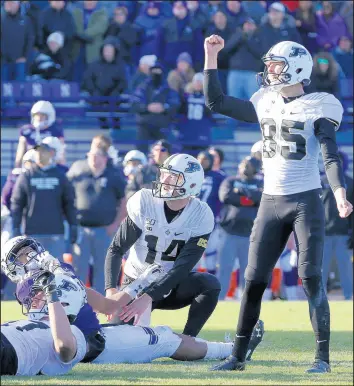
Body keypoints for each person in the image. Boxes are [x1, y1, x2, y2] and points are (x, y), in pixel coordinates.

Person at [203, 35, 353, 373]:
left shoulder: (321, 103)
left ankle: (322, 359)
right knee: (254, 280)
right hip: (269, 202)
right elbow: (217, 103)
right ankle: (238, 357)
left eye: (276, 66)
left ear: (297, 69)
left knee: (310, 277)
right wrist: (210, 57)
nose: (269, 72)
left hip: (305, 201)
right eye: (269, 65)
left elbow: (329, 154)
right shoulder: (264, 100)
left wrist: (340, 192)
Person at [1, 235, 264, 369]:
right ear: (13, 268)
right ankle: (230, 350)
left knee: (159, 335)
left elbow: (107, 307)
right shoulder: (27, 286)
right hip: (84, 348)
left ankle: (232, 348)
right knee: (165, 339)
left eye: (30, 250)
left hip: (95, 337)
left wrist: (140, 284)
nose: (31, 256)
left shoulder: (62, 272)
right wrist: (57, 273)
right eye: (22, 256)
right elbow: (56, 315)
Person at [104, 154, 223, 337]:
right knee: (119, 339)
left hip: (171, 284)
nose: (164, 180)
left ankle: (188, 339)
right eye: (164, 174)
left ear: (191, 183)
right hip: (136, 282)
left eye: (173, 176)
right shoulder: (144, 201)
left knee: (209, 284)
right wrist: (112, 292)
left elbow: (183, 268)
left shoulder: (201, 215)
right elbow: (117, 249)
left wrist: (148, 297)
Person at [66, 135, 126, 294]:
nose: (93, 159)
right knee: (79, 266)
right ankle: (76, 299)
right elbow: (65, 191)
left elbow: (124, 200)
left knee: (104, 267)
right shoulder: (78, 169)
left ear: (105, 158)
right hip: (81, 227)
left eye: (97, 156)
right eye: (91, 155)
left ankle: (101, 301)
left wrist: (115, 224)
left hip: (104, 229)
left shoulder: (114, 174)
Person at [1, 269, 87, 376]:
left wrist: (51, 293)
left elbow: (65, 347)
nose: (34, 299)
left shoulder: (72, 331)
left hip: (8, 351)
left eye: (41, 294)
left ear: (63, 302)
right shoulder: (32, 323)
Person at [10, 142, 77, 260]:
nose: (39, 155)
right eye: (37, 152)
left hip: (55, 232)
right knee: (33, 271)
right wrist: (15, 226)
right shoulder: (27, 176)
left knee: (55, 271)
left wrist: (73, 225)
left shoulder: (60, 176)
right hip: (32, 232)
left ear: (51, 153)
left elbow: (69, 203)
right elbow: (17, 203)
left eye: (43, 152)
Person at [217, 156, 263, 300]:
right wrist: (249, 199)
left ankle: (246, 303)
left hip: (250, 234)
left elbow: (262, 198)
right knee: (225, 269)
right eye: (243, 163)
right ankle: (218, 301)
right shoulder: (230, 181)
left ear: (255, 168)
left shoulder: (261, 182)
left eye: (249, 164)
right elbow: (225, 196)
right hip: (229, 232)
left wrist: (241, 193)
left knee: (248, 272)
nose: (245, 166)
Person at [321, 151, 353, 300]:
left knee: (345, 268)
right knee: (322, 268)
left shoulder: (350, 182)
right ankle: (319, 298)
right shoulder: (320, 181)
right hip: (324, 233)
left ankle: (348, 297)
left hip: (343, 233)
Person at [131, 62, 180, 153]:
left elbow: (175, 103)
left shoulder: (168, 88)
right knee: (141, 148)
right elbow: (135, 103)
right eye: (154, 71)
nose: (156, 73)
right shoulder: (143, 87)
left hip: (163, 124)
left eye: (158, 71)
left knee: (165, 148)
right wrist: (147, 107)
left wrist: (164, 107)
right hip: (144, 124)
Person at [196, 151, 226, 275]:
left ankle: (210, 286)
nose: (202, 162)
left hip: (210, 223)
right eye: (200, 159)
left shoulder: (219, 177)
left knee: (210, 255)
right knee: (192, 255)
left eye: (206, 160)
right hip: (190, 223)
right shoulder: (191, 175)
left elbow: (224, 199)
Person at [15, 100, 64, 168]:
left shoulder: (55, 130)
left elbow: (61, 153)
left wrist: (61, 165)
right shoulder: (26, 130)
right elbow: (20, 153)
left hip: (50, 165)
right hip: (30, 165)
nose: (39, 118)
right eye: (37, 115)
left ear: (49, 116)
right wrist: (17, 167)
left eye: (42, 115)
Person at [71, 0, 109, 83]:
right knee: (77, 73)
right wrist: (79, 35)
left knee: (92, 73)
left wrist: (84, 35)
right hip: (78, 47)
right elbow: (73, 25)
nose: (90, 2)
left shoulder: (102, 12)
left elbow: (100, 27)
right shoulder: (76, 11)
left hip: (93, 47)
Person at [1, 0, 34, 82]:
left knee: (19, 89)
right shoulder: (1, 20)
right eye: (6, 3)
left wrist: (24, 56)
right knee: (4, 89)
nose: (8, 5)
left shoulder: (26, 20)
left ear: (17, 5)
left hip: (19, 61)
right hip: (3, 61)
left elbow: (30, 39)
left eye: (11, 2)